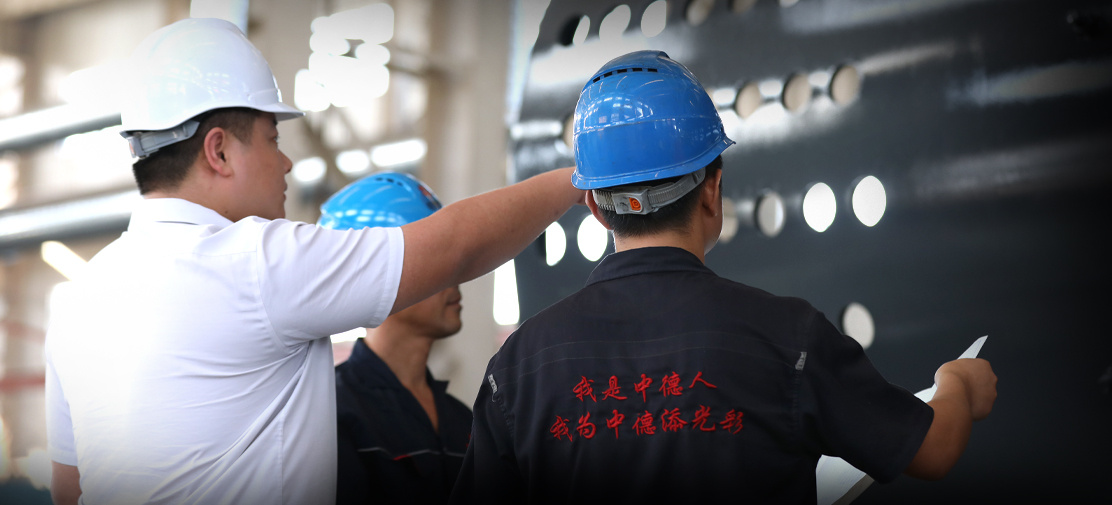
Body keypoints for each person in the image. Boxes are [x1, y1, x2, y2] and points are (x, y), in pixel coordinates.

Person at [44, 19, 581, 505]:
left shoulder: (74, 302)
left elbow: (70, 489)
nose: (285, 163)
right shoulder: (258, 261)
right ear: (219, 151)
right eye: (272, 139)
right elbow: (455, 247)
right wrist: (581, 178)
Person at [449, 51, 998, 504]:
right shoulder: (787, 337)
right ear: (711, 188)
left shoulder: (519, 366)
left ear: (593, 206)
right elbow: (933, 451)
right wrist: (959, 384)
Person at [318, 173, 472, 504]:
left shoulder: (464, 421)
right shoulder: (331, 413)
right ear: (373, 278)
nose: (455, 276)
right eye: (435, 258)